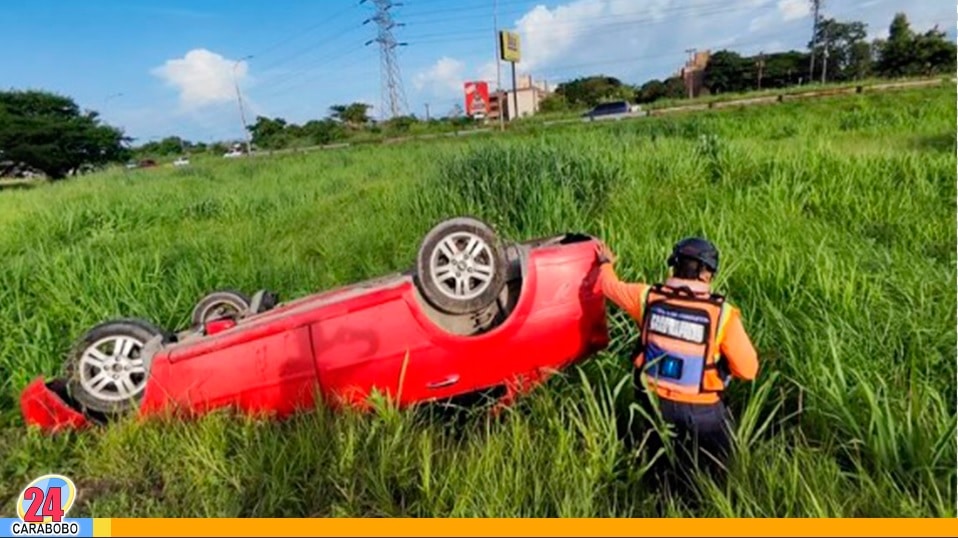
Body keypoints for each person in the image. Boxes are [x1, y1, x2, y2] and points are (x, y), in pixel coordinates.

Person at [594, 236, 758, 479]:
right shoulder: (722, 315)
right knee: (722, 468)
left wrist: (606, 262)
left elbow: (609, 286)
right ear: (706, 275)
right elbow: (748, 370)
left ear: (675, 266)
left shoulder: (645, 297)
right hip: (702, 412)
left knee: (656, 466)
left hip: (651, 402)